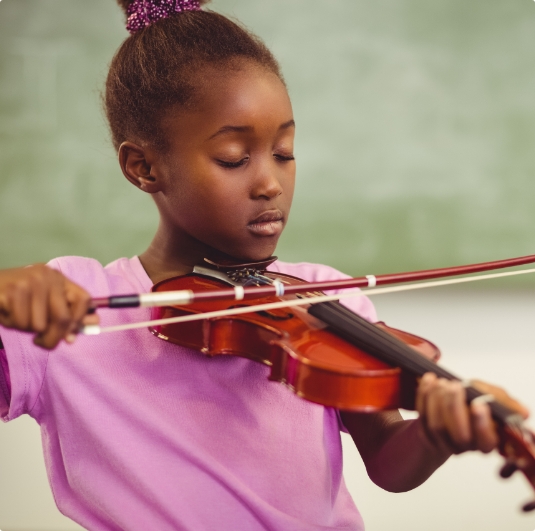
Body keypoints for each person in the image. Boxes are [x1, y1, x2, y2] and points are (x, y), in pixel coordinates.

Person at [0, 1, 528, 530]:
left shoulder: (321, 297)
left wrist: (436, 434)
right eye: (234, 158)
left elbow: (389, 462)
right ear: (143, 166)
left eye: (284, 151)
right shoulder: (75, 307)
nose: (270, 183)